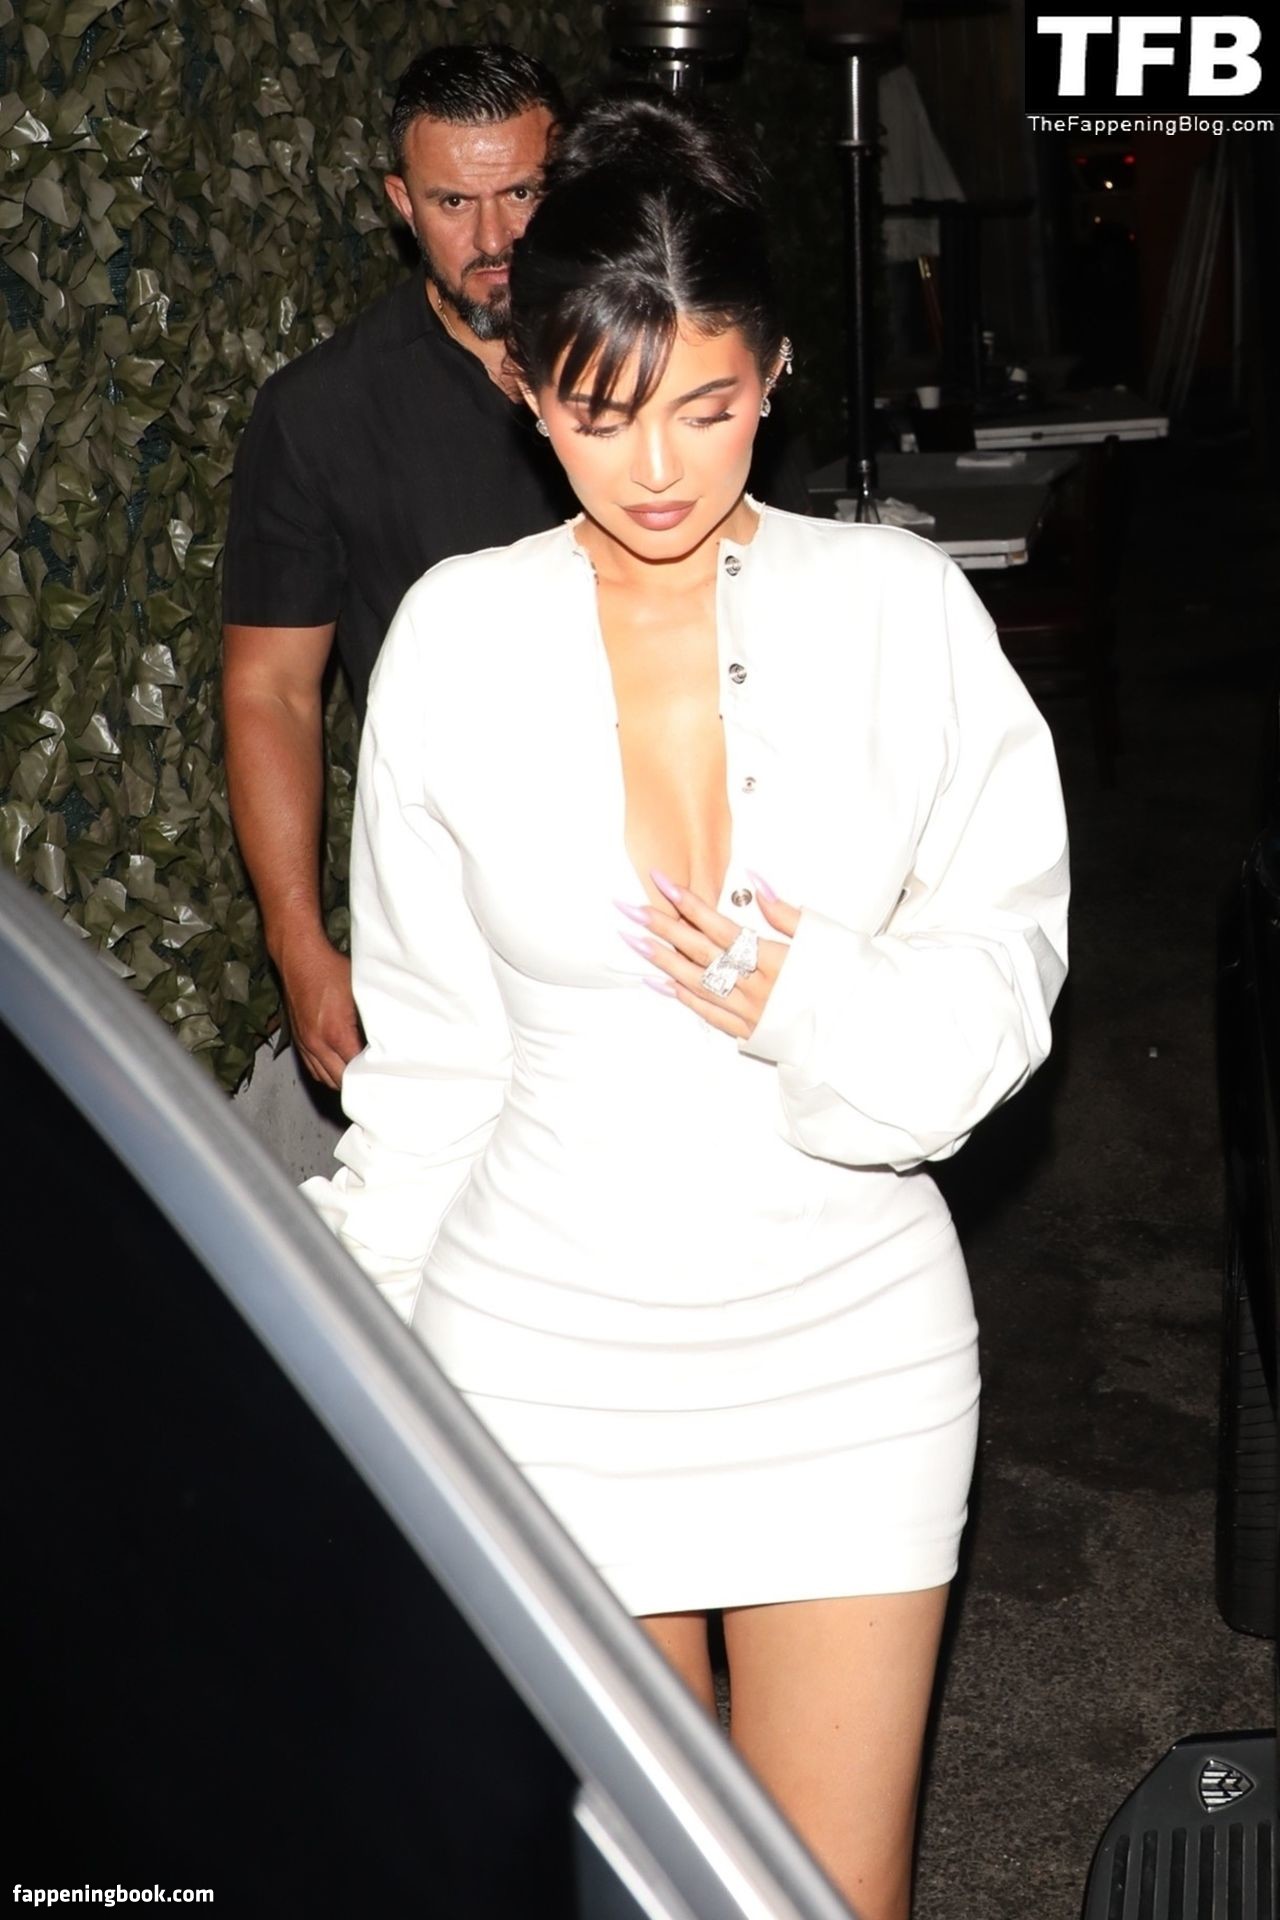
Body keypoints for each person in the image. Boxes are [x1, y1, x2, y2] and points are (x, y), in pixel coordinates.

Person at [304, 91, 1069, 1920]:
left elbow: (1004, 980)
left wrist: (815, 1001)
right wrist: (349, 1384)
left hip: (850, 1356)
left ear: (776, 375)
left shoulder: (898, 612)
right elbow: (431, 1072)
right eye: (599, 412)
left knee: (830, 1898)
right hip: (541, 1356)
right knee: (637, 1894)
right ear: (524, 387)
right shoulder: (454, 639)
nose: (655, 468)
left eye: (707, 409)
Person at [221, 45, 571, 1091]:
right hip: (447, 936)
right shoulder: (321, 413)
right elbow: (272, 689)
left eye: (523, 193)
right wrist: (297, 940)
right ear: (401, 203)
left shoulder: (663, 374)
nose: (495, 238)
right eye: (454, 202)